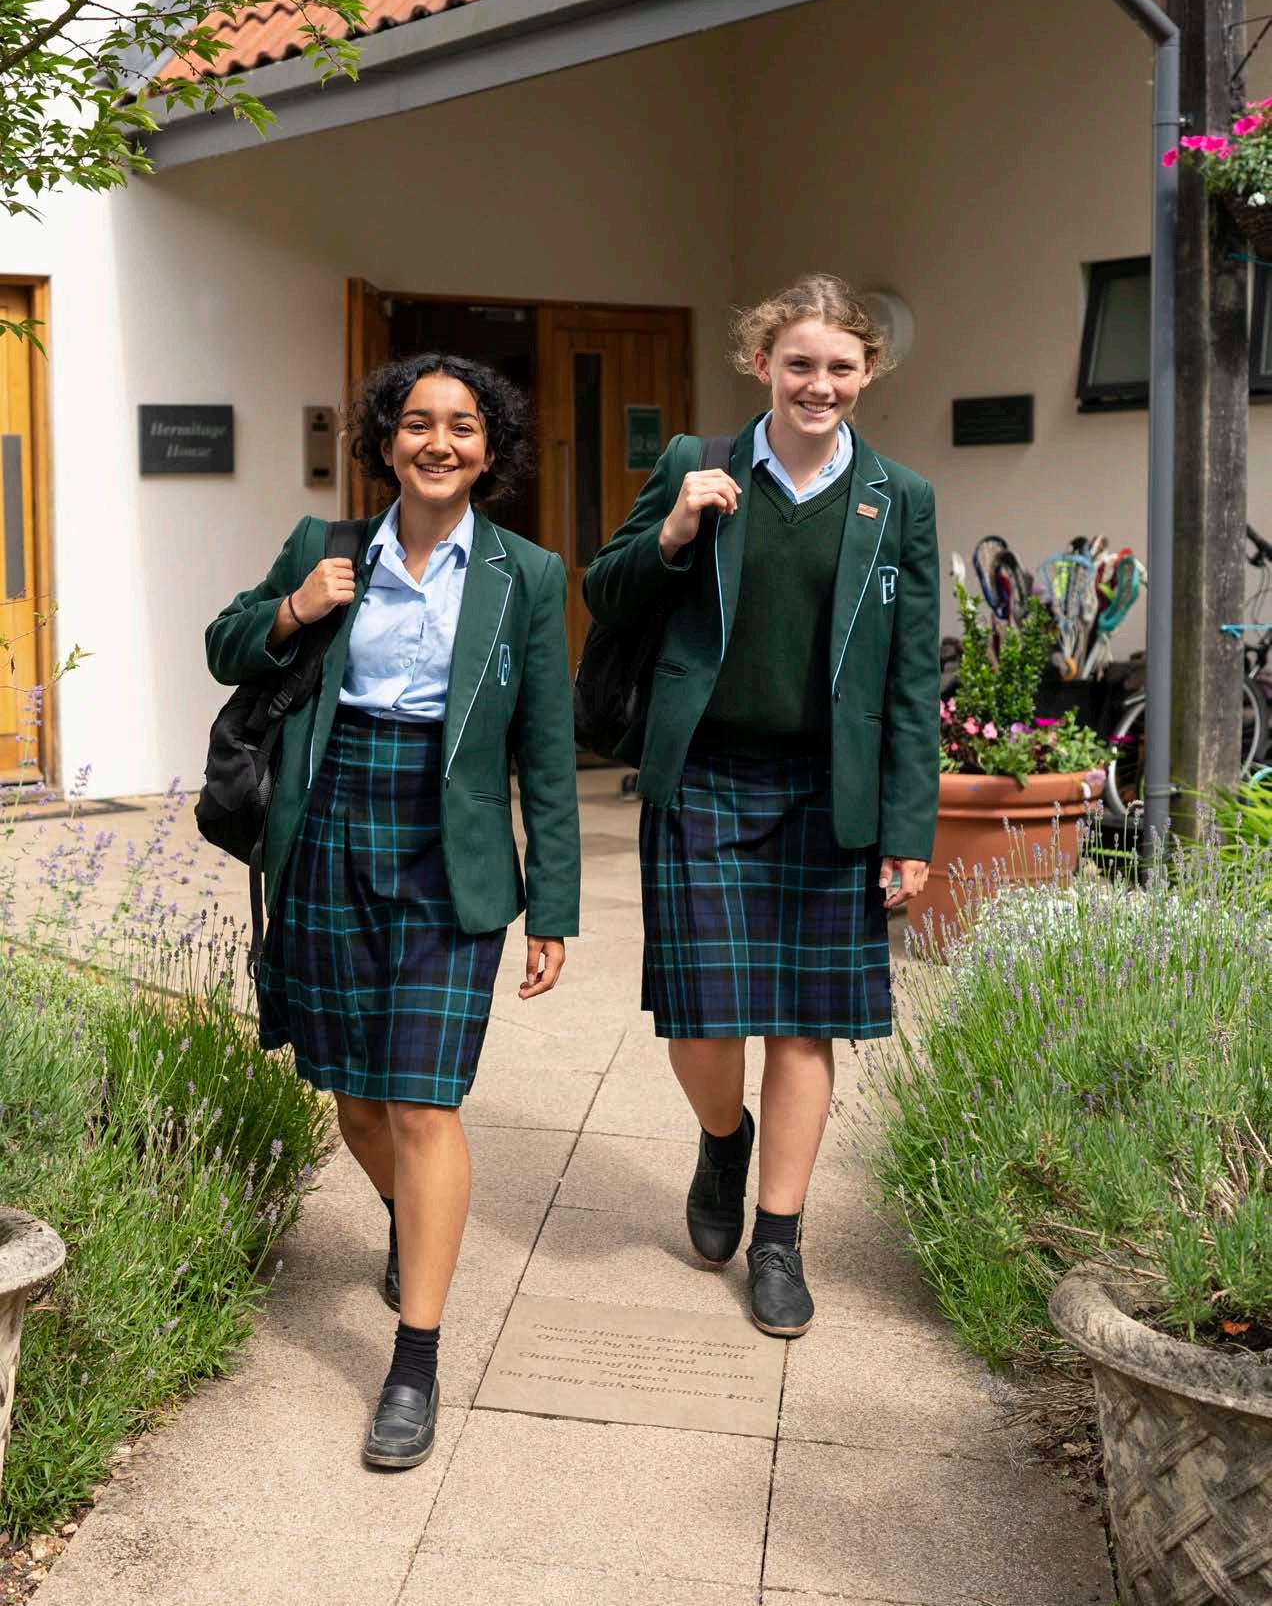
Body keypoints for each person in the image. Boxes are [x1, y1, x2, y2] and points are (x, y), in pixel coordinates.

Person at [206, 353, 580, 1466]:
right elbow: (224, 646)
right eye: (418, 423)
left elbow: (546, 751)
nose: (439, 442)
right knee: (356, 1101)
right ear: (385, 441)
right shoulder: (324, 546)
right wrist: (292, 610)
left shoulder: (527, 573)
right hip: (328, 825)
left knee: (422, 1103)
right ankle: (414, 1223)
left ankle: (415, 1359)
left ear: (490, 449)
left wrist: (554, 904)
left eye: (463, 426)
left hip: (451, 849)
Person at [583, 275, 938, 1338]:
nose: (818, 384)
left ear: (867, 372)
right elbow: (605, 590)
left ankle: (778, 1238)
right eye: (799, 364)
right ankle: (723, 1137)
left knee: (804, 1023)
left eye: (840, 367)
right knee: (700, 1015)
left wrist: (908, 828)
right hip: (704, 774)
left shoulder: (900, 497)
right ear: (762, 364)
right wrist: (674, 530)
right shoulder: (697, 464)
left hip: (830, 789)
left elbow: (911, 675)